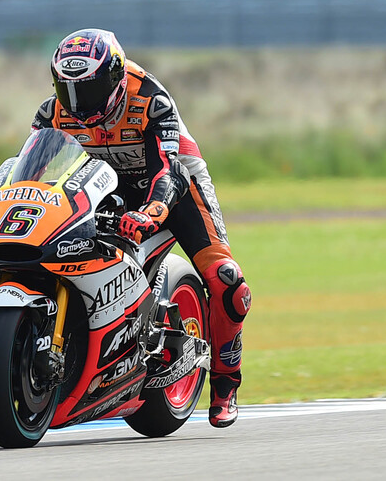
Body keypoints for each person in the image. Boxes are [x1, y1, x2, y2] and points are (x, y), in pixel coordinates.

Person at [31, 29, 252, 427]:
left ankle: (225, 382)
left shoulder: (151, 100)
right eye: (68, 90)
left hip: (175, 187)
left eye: (90, 89)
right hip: (104, 186)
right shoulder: (51, 113)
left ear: (115, 79)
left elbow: (167, 171)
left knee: (227, 281)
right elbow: (32, 173)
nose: (78, 103)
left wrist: (151, 212)